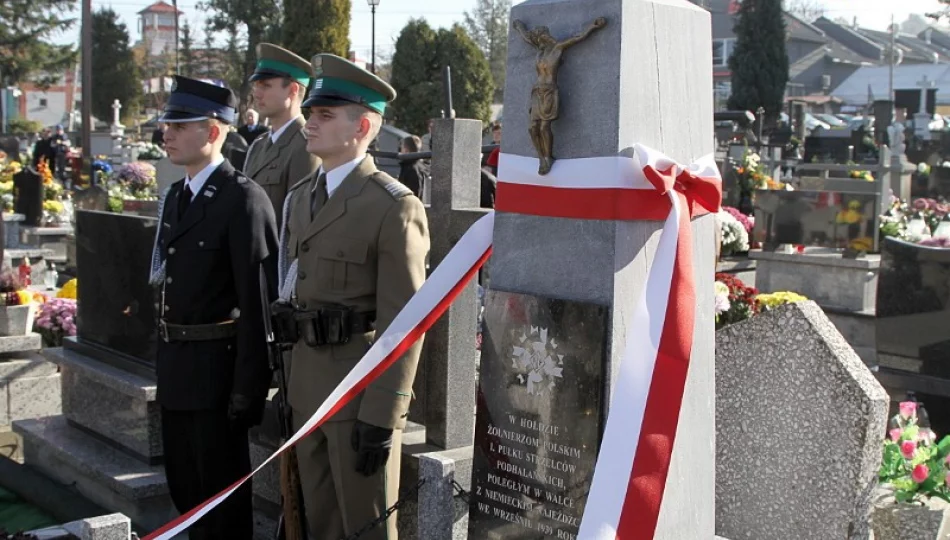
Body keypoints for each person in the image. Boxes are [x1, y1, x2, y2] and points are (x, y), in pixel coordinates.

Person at [281, 53, 429, 540]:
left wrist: (383, 415)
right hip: (305, 389)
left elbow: (404, 324)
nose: (310, 122)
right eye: (312, 112)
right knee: (319, 522)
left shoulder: (391, 206)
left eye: (325, 115)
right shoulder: (302, 196)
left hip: (356, 394)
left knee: (365, 527)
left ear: (362, 125)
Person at [151, 75, 278, 540]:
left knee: (219, 504)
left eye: (180, 124)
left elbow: (258, 302)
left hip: (217, 379)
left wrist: (248, 390)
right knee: (185, 491)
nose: (167, 132)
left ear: (212, 131)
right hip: (177, 370)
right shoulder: (177, 197)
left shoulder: (242, 199)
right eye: (167, 123)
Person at [244, 43, 320, 224]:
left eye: (266, 86)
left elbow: (298, 225)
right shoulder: (259, 144)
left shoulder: (306, 146)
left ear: (293, 90)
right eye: (256, 85)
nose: (257, 93)